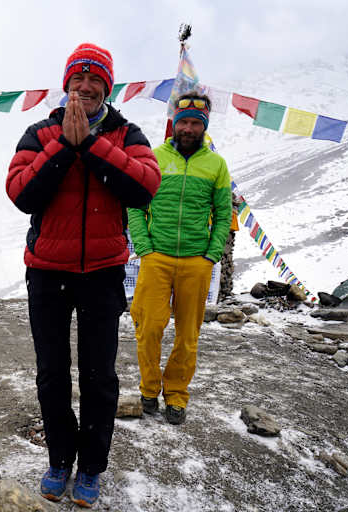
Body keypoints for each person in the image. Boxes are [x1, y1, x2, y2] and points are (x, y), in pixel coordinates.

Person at [6, 43, 160, 507]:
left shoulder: (126, 133)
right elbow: (21, 193)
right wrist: (63, 146)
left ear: (107, 87)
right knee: (52, 374)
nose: (86, 87)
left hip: (102, 273)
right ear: (67, 83)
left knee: (99, 376)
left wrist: (90, 146)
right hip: (47, 273)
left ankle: (91, 467)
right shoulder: (40, 133)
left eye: (96, 80)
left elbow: (145, 186)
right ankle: (59, 460)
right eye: (79, 78)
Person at [127, 91, 232, 425]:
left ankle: (176, 395)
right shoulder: (154, 157)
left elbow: (224, 213)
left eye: (195, 123)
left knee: (188, 336)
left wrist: (211, 254)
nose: (188, 129)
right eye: (183, 122)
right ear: (174, 123)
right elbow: (135, 205)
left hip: (195, 262)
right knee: (149, 327)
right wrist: (144, 247)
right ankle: (149, 389)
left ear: (204, 126)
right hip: (156, 258)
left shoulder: (216, 165)